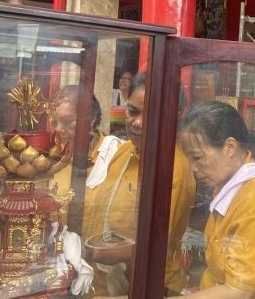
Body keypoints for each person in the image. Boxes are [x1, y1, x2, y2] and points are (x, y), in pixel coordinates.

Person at [174, 101, 255, 298]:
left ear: (230, 147)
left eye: (197, 158)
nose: (192, 168)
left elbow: (239, 291)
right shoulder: (227, 185)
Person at [82, 74, 195, 296]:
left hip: (143, 286)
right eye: (132, 111)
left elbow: (152, 247)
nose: (137, 123)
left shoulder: (173, 168)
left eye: (151, 115)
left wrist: (87, 252)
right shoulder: (123, 152)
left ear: (176, 116)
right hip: (99, 283)